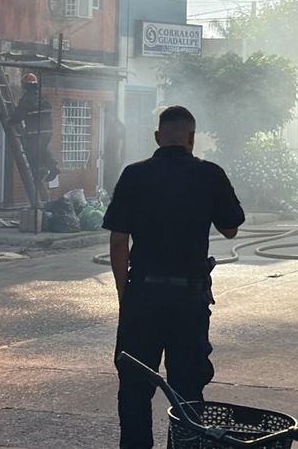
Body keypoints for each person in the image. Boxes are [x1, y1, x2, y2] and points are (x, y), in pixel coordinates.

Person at [103, 106, 245, 449]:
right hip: (188, 300)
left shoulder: (134, 175)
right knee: (187, 390)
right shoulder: (209, 174)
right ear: (192, 139)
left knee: (134, 389)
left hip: (143, 296)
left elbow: (118, 240)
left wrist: (126, 295)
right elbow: (230, 229)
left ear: (157, 137)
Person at [9, 73, 57, 202]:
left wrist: (10, 121)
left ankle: (40, 172)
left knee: (32, 152)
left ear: (25, 85)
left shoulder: (27, 99)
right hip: (47, 132)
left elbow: (18, 115)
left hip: (36, 132)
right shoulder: (40, 97)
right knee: (42, 149)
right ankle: (53, 167)